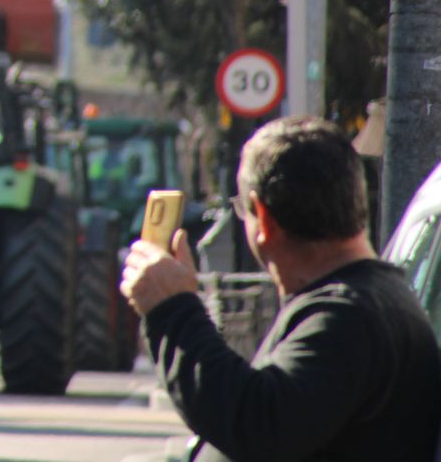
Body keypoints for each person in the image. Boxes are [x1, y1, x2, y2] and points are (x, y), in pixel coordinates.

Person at [120, 115, 441, 461]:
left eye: (243, 210)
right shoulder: (364, 300)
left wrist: (174, 310)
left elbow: (258, 423)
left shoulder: (348, 315)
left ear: (263, 217)